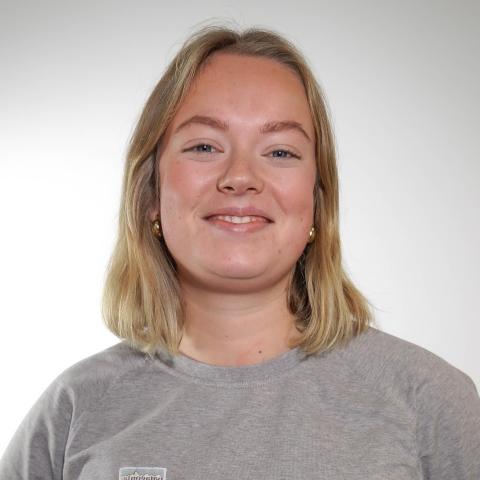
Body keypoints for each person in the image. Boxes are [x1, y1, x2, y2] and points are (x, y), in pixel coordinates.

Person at [1, 24, 479, 480]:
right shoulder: (75, 410)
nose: (241, 176)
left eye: (280, 152)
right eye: (205, 146)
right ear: (150, 194)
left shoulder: (429, 401)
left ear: (317, 201)